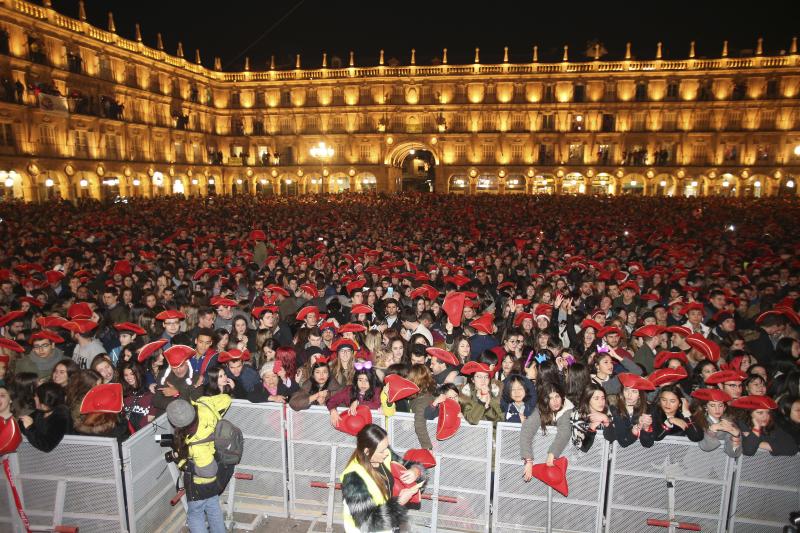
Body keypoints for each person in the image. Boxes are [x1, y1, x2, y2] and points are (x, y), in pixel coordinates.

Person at [166, 371, 233, 533]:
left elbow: (207, 470)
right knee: (213, 508)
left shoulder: (191, 441)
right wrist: (227, 389)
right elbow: (225, 399)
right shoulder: (205, 407)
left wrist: (184, 463)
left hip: (200, 483)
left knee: (195, 514)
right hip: (216, 475)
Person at [340, 424, 427, 532]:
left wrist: (416, 471)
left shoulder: (385, 454)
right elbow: (367, 523)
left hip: (390, 525)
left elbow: (410, 466)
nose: (387, 452)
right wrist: (398, 503)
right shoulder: (353, 477)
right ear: (367, 452)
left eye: (387, 447)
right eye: (382, 450)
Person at [520, 382, 574, 480]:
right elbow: (526, 432)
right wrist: (528, 460)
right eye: (550, 398)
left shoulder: (568, 409)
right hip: (537, 455)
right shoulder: (538, 409)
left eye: (557, 396)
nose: (555, 401)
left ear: (562, 397)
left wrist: (551, 454)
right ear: (545, 400)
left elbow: (565, 432)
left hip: (563, 458)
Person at [18, 382, 71, 452]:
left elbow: (47, 446)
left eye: (36, 396)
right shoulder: (39, 412)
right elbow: (21, 425)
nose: (34, 398)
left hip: (61, 458)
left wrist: (30, 428)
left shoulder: (61, 418)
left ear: (44, 399)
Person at [690, 388, 741, 458]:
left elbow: (734, 454)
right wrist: (712, 431)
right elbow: (706, 447)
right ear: (706, 407)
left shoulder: (729, 423)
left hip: (719, 461)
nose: (717, 409)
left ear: (724, 408)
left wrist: (736, 436)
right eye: (712, 405)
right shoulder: (697, 421)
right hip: (696, 458)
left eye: (720, 405)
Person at [608, 373, 655, 448]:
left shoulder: (648, 409)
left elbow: (648, 444)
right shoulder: (614, 409)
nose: (629, 395)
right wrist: (634, 431)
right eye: (626, 390)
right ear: (622, 391)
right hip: (614, 452)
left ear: (640, 395)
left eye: (634, 391)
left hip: (637, 455)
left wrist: (646, 428)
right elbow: (623, 442)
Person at [121, 361, 160, 431]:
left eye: (132, 374)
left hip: (149, 431)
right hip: (130, 435)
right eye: (126, 375)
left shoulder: (150, 391)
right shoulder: (124, 394)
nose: (129, 377)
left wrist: (138, 425)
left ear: (138, 373)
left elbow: (152, 416)